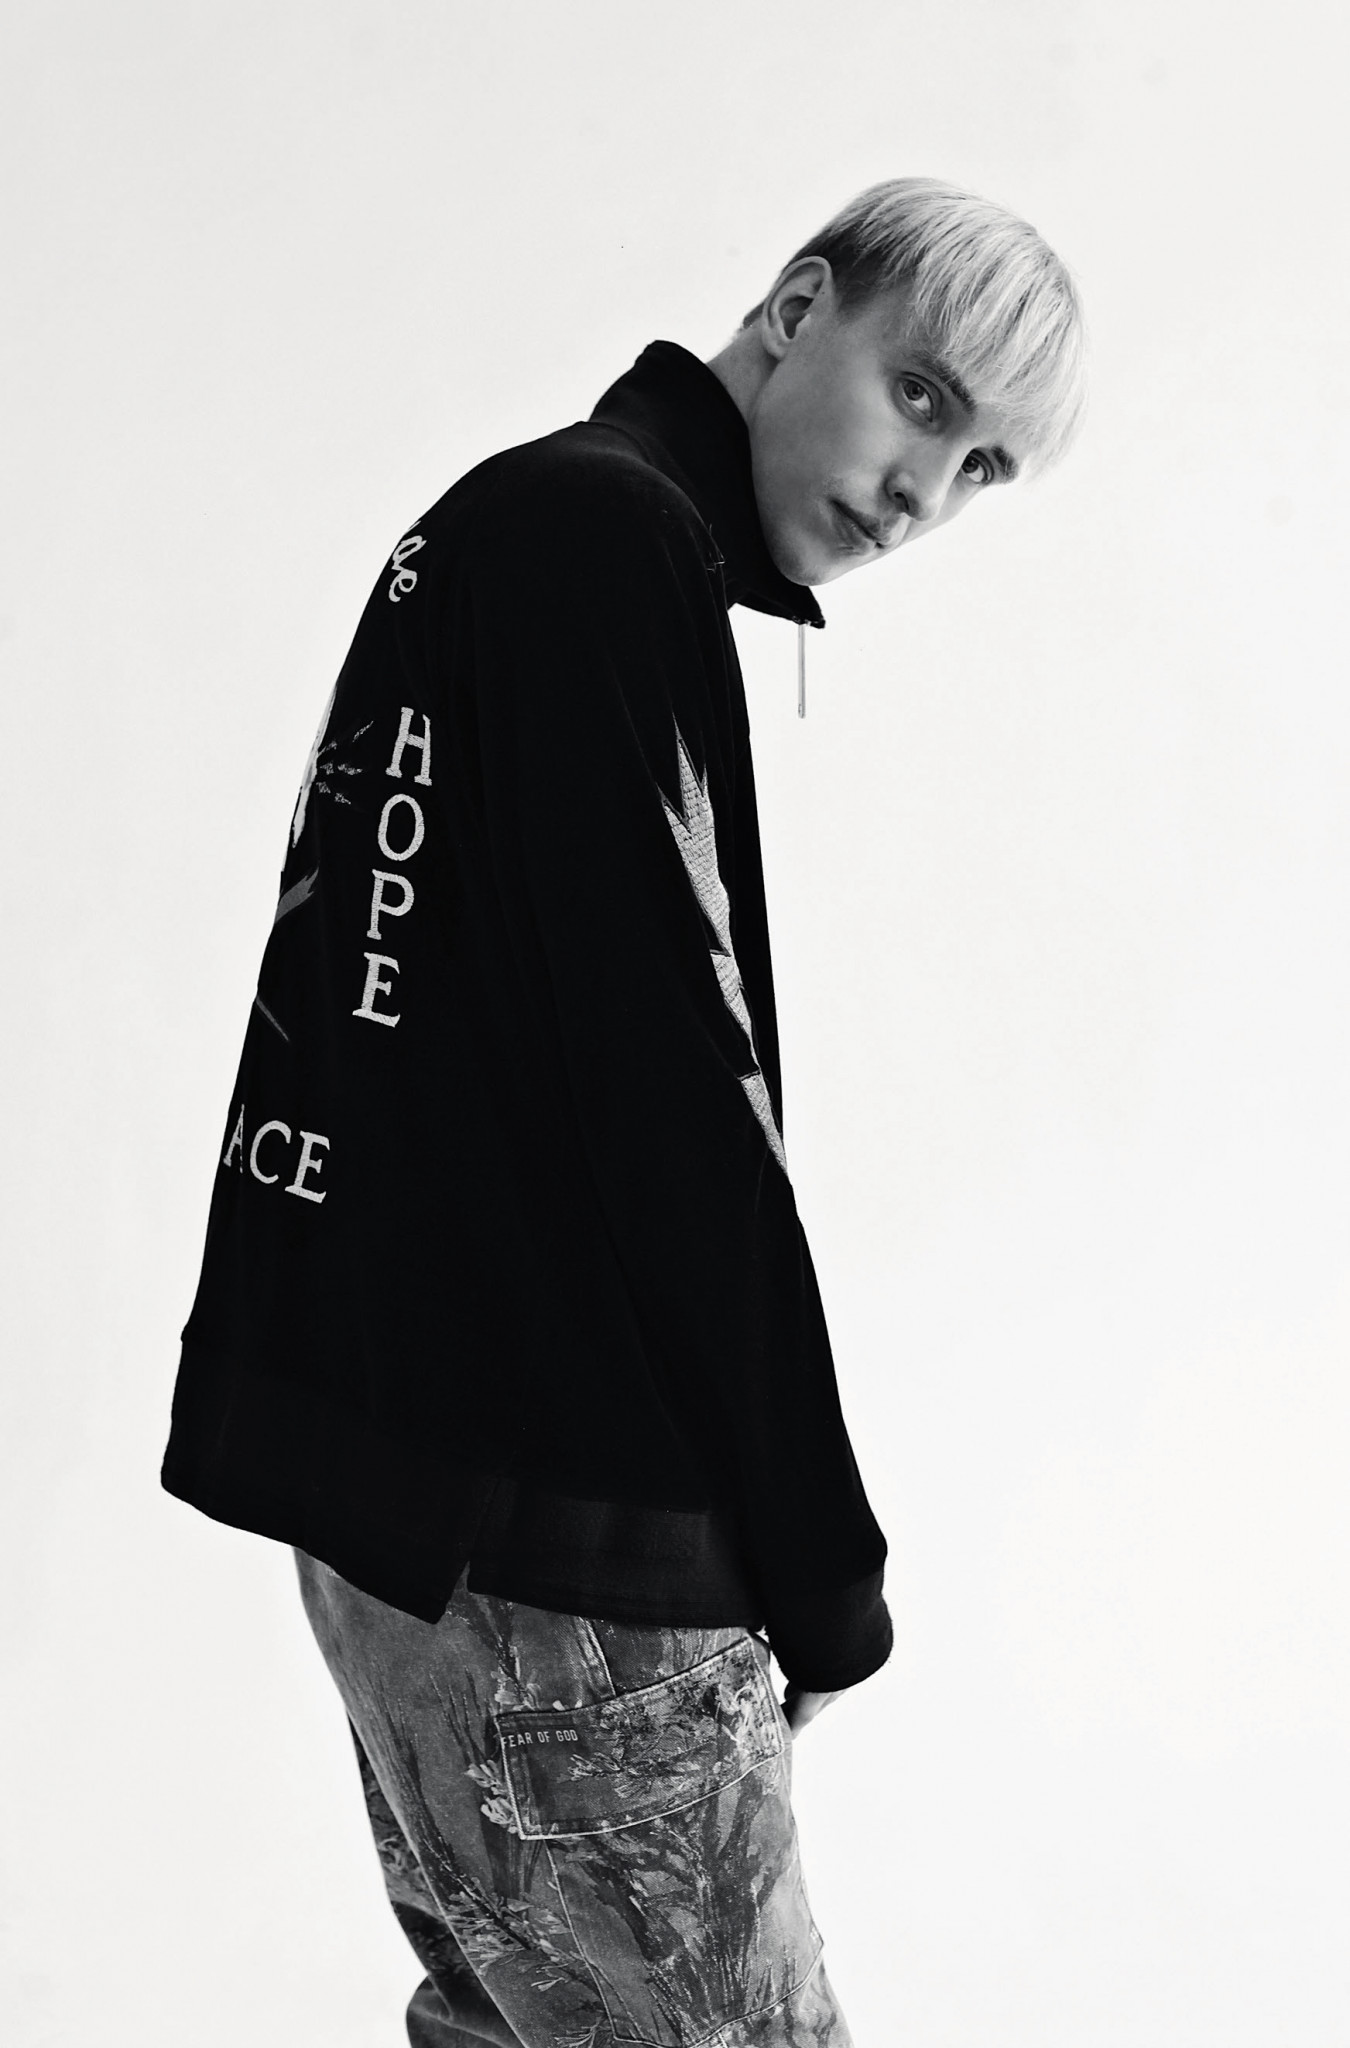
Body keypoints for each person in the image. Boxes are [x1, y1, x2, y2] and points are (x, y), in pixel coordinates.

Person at [162, 176, 1085, 2047]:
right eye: (920, 395)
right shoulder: (603, 543)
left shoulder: (525, 524)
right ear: (796, 307)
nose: (922, 491)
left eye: (980, 467)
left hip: (415, 1521)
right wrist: (823, 1569)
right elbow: (670, 1108)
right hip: (564, 1566)